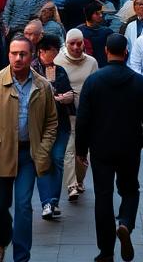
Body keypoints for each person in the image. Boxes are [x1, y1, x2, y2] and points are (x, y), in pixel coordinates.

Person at [76, 34, 143, 262]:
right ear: (126, 52)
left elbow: (83, 118)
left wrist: (81, 149)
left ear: (105, 51)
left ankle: (106, 251)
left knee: (103, 196)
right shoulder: (138, 82)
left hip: (101, 146)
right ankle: (125, 223)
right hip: (130, 146)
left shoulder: (93, 81)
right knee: (130, 189)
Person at [0, 36, 58, 262]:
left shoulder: (42, 85)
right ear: (8, 55)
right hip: (0, 152)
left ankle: (21, 257)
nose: (18, 58)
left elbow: (52, 122)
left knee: (23, 206)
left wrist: (43, 148)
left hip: (29, 155)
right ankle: (3, 241)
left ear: (31, 55)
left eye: (23, 54)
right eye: (14, 53)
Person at [32, 35, 75, 221]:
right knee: (43, 161)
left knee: (57, 159)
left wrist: (67, 97)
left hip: (61, 123)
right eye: (53, 51)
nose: (56, 54)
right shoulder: (32, 70)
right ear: (42, 51)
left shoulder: (60, 70)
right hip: (40, 125)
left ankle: (53, 201)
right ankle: (47, 202)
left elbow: (68, 92)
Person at [55, 28, 99, 202]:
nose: (75, 47)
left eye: (78, 43)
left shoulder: (92, 63)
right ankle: (71, 184)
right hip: (67, 114)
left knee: (83, 150)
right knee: (70, 149)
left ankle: (79, 180)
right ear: (66, 44)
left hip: (88, 114)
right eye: (71, 43)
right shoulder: (58, 61)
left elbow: (97, 87)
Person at [79, 1, 113, 67]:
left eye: (101, 13)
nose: (101, 15)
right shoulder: (80, 31)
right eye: (97, 13)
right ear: (89, 14)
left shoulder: (107, 31)